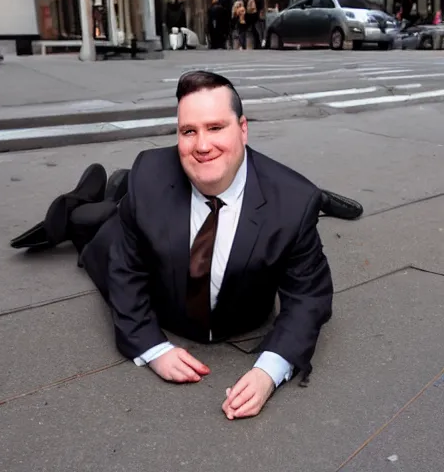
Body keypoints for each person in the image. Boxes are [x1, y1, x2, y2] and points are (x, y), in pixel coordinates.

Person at [82, 70, 333, 420]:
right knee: (91, 231)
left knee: (112, 213)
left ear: (243, 129)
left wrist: (269, 372)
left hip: (236, 286)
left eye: (216, 128)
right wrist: (152, 347)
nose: (202, 146)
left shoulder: (294, 202)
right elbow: (124, 270)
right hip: (129, 225)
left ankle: (108, 195)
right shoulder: (149, 174)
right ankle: (82, 204)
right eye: (189, 131)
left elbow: (309, 296)